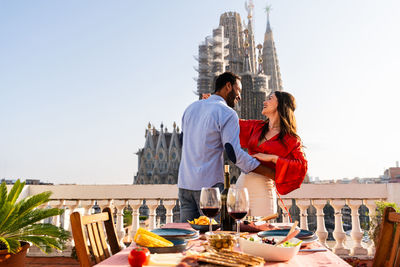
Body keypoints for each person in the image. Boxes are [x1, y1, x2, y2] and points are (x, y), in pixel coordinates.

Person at [178, 72, 275, 223]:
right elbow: (234, 153)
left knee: (187, 238)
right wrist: (270, 172)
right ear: (228, 86)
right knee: (213, 238)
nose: (240, 97)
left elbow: (181, 141)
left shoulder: (190, 108)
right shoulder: (227, 113)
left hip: (185, 185)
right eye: (239, 90)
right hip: (209, 187)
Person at [236, 91, 307, 217]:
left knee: (261, 232)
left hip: (263, 191)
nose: (264, 102)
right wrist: (214, 104)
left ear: (280, 105)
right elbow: (232, 122)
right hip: (241, 186)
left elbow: (301, 166)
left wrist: (274, 158)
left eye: (270, 99)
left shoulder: (290, 139)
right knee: (238, 231)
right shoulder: (257, 127)